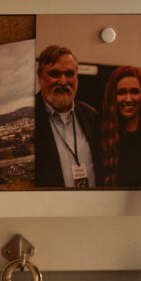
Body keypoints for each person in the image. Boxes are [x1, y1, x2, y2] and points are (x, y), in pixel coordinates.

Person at [33, 45, 104, 188]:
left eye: (69, 74)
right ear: (40, 77)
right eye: (55, 74)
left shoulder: (91, 116)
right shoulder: (27, 119)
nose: (63, 81)